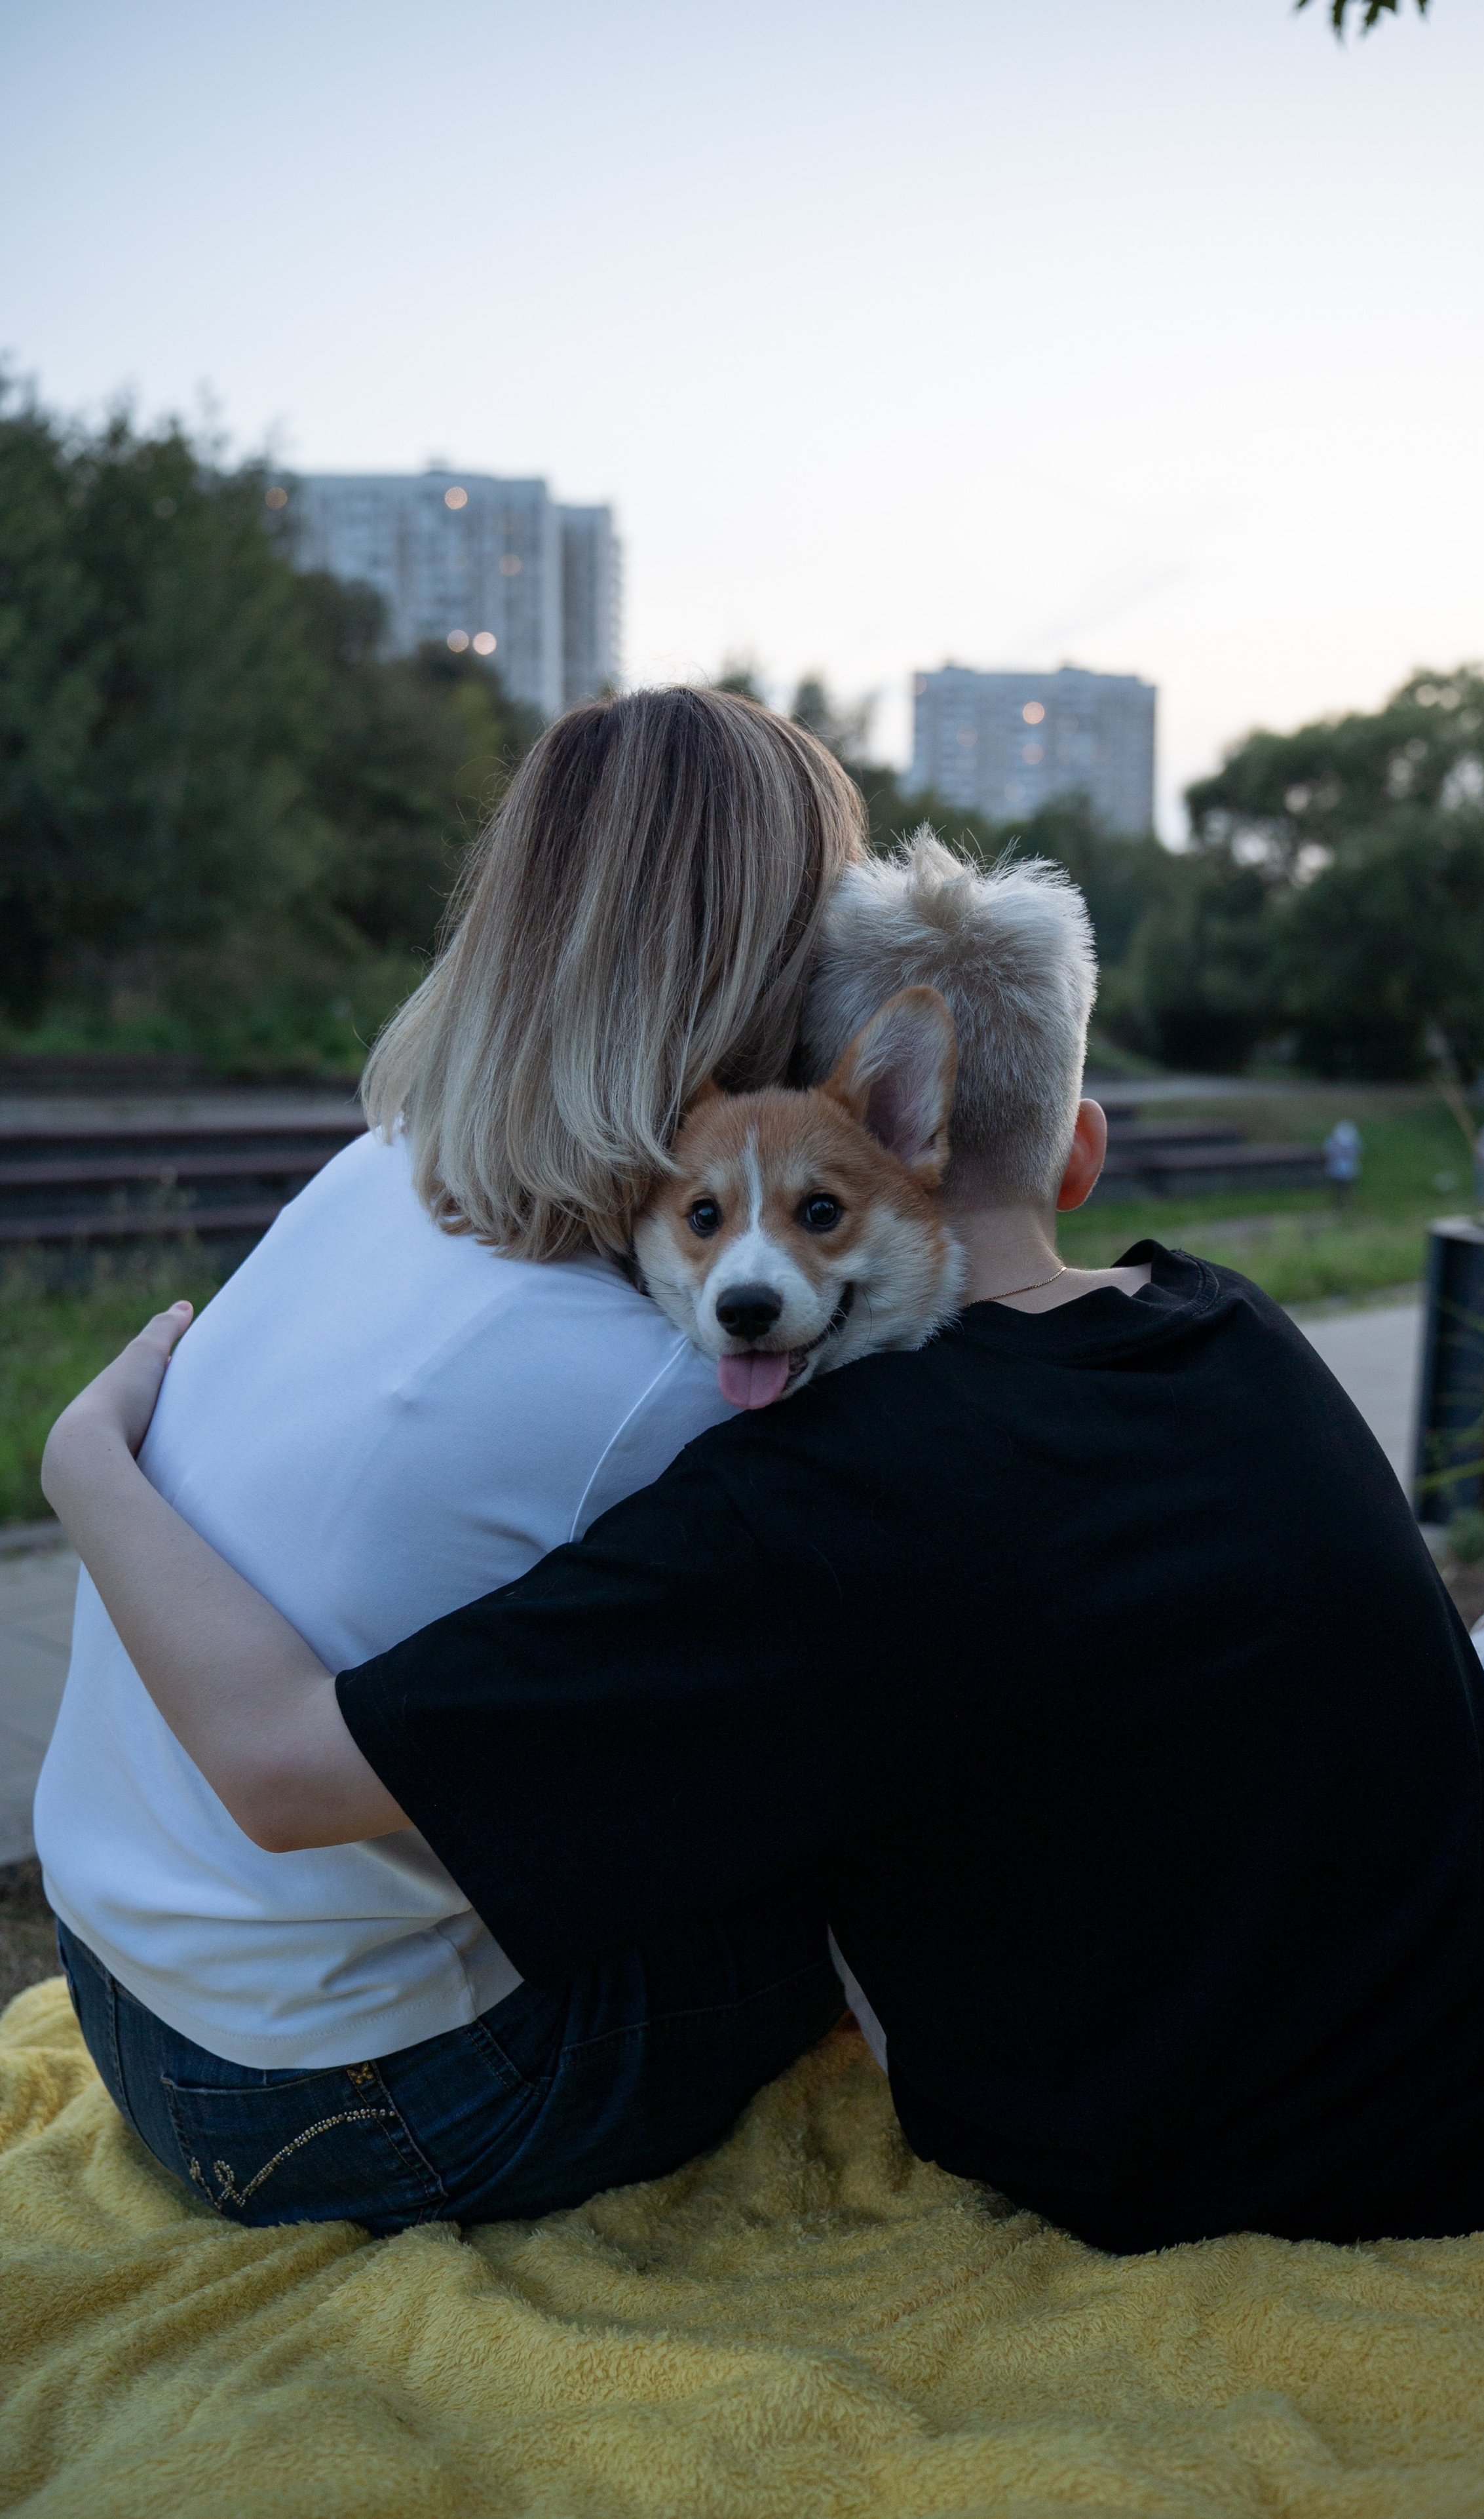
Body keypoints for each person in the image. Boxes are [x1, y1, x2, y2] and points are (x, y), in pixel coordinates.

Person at [45, 837, 1484, 2255]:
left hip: (1162, 2142)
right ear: (1081, 1150)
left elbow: (283, 1759)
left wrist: (84, 1457)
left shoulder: (789, 1511)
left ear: (853, 1114)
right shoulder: (1227, 1325)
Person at [32, 685, 866, 2233]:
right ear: (782, 958)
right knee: (813, 1867)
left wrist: (77, 1455)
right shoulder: (657, 1383)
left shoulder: (372, 1173)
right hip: (341, 2097)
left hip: (114, 1977)